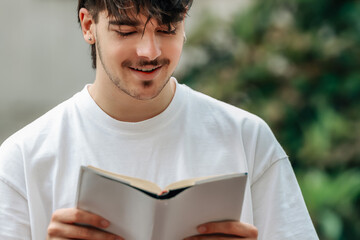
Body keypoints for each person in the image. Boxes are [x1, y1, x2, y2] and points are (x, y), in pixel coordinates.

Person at [0, 0, 319, 239]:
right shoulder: (24, 159)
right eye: (126, 30)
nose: (149, 51)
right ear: (88, 26)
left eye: (167, 29)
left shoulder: (247, 139)